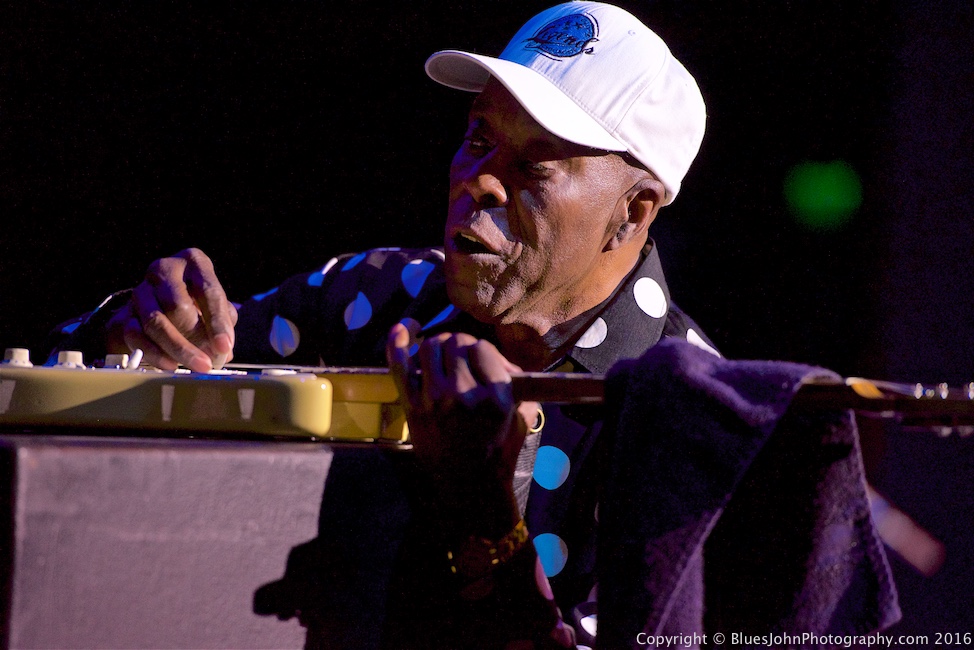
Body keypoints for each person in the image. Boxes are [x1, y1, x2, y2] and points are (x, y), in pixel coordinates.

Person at [49, 2, 897, 648]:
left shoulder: (689, 419)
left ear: (633, 214)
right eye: (478, 138)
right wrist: (134, 337)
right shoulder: (377, 296)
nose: (482, 181)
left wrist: (486, 513)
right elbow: (69, 385)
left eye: (534, 164)